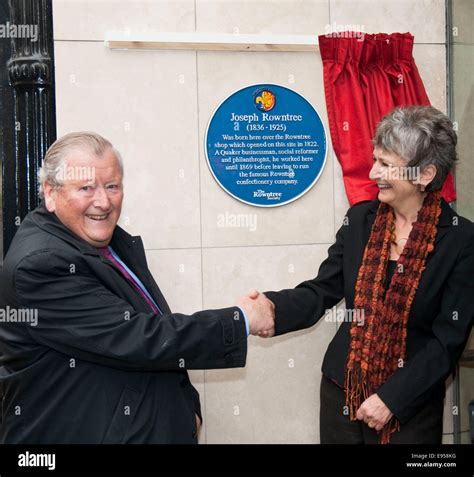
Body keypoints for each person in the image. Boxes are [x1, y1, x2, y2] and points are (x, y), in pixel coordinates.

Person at [0, 132, 274, 444]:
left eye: (112, 186)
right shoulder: (41, 265)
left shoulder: (108, 240)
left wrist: (187, 408)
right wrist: (241, 320)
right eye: (86, 187)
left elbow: (156, 325)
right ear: (50, 192)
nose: (103, 201)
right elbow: (139, 336)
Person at [259, 105, 474, 444]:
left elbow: (447, 341)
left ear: (425, 174)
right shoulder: (360, 219)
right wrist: (273, 309)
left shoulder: (461, 240)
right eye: (376, 159)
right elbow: (322, 290)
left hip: (410, 406)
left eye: (387, 164)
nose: (374, 172)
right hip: (341, 391)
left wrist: (392, 398)